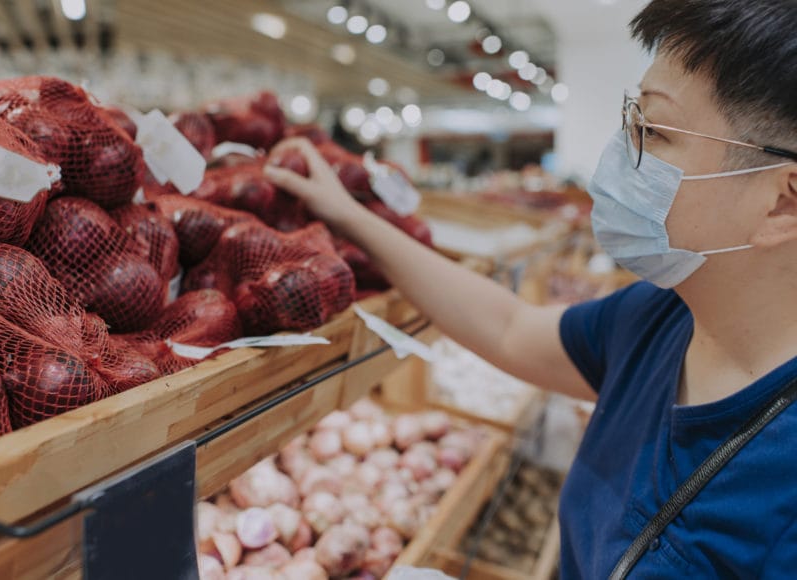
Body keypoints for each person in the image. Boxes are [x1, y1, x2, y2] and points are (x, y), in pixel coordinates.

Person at [264, 0, 797, 575]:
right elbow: (509, 327)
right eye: (630, 119)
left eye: (657, 132)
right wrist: (350, 217)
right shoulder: (661, 320)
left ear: (782, 202)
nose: (620, 154)